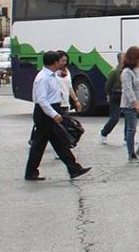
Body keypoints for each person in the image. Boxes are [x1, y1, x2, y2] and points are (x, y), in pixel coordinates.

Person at [25, 51, 90, 180]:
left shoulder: (52, 75)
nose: (61, 64)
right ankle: (31, 171)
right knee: (40, 143)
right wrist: (54, 114)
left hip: (52, 109)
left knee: (59, 141)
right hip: (45, 112)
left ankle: (73, 168)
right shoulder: (43, 78)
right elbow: (42, 100)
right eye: (59, 61)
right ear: (54, 63)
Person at [99, 52, 124, 145]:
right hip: (116, 95)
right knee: (115, 118)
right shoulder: (114, 72)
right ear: (120, 59)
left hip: (125, 95)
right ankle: (104, 133)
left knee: (129, 117)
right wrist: (109, 94)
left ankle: (127, 138)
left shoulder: (127, 70)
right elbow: (108, 86)